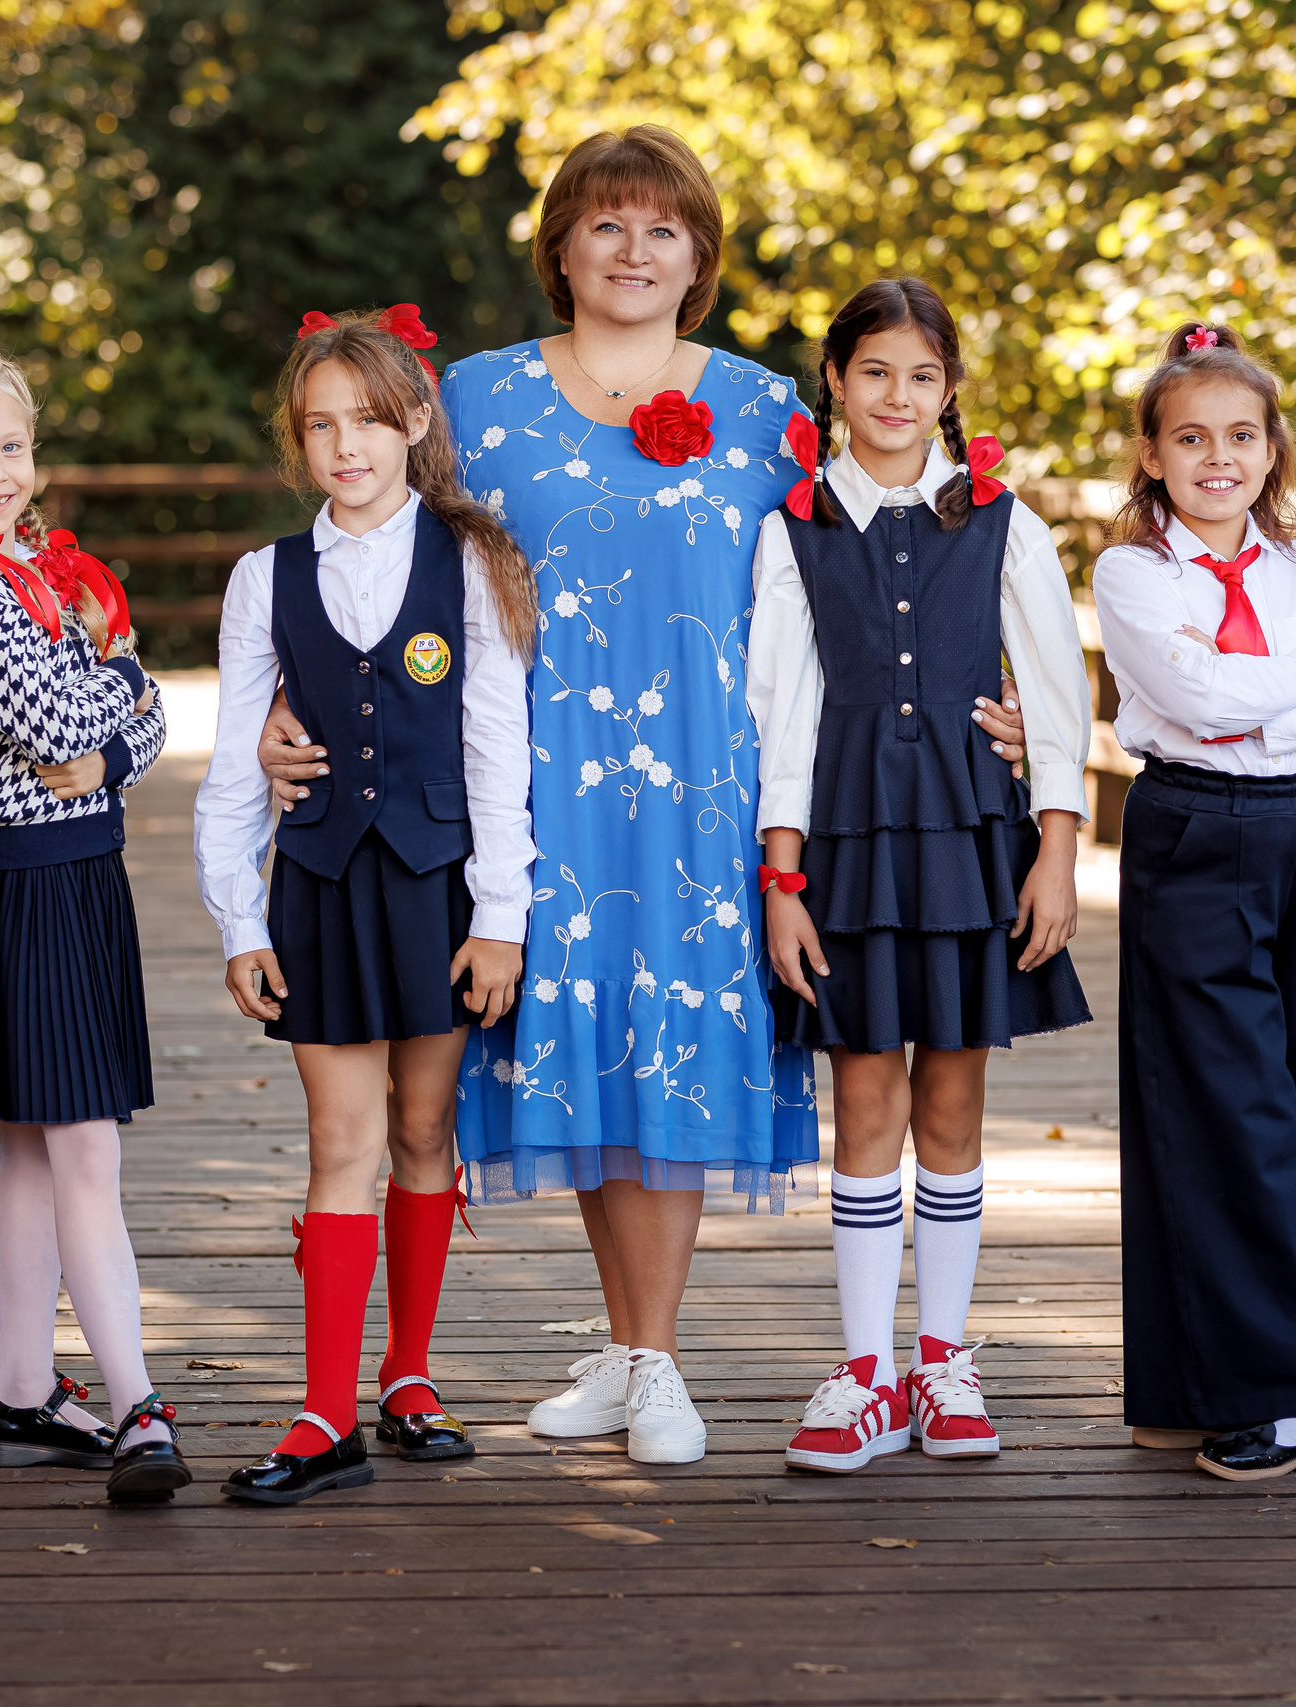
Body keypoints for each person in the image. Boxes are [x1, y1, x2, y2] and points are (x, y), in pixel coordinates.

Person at [261, 130, 1031, 1467]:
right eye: (604, 226)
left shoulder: (766, 404)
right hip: (526, 781)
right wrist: (297, 694)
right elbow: (373, 550)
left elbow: (870, 564)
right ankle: (624, 1347)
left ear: (699, 257)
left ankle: (662, 1355)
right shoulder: (479, 401)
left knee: (672, 1050)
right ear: (558, 248)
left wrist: (987, 696)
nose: (631, 250)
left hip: (704, 788)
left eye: (661, 229)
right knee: (582, 1046)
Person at [749, 279, 1093, 1474]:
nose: (897, 397)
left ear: (949, 395)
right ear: (835, 381)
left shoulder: (1003, 523)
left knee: (951, 1105)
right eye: (874, 372)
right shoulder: (793, 529)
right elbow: (779, 711)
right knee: (863, 1107)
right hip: (843, 845)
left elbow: (1056, 703)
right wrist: (781, 880)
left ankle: (942, 1359)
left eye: (923, 377)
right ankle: (863, 1373)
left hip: (969, 839)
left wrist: (1055, 850)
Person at [196, 307, 537, 1504]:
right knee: (337, 1143)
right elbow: (240, 756)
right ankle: (320, 1414)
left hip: (439, 884)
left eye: (368, 420)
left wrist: (501, 912)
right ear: (298, 443)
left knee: (420, 1135)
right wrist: (240, 919)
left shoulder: (472, 560)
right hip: (325, 885)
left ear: (415, 424)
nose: (347, 445)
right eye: (320, 425)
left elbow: (500, 745)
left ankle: (407, 1377)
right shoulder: (265, 579)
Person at [1090, 321, 1296, 1481]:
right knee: (1212, 1108)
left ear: (1273, 450)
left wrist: (1258, 705)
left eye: (1239, 435)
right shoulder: (1130, 572)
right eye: (1189, 438)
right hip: (1194, 832)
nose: (1216, 458)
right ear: (1151, 453)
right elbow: (1187, 692)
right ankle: (1214, 1386)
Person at [0, 349, 188, 1504]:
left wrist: (113, 725)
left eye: (9, 447)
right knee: (84, 1151)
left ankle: (23, 1396)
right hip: (21, 884)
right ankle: (134, 1404)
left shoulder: (32, 569)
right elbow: (61, 712)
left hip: (84, 872)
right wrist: (122, 692)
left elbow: (124, 724)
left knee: (32, 1149)